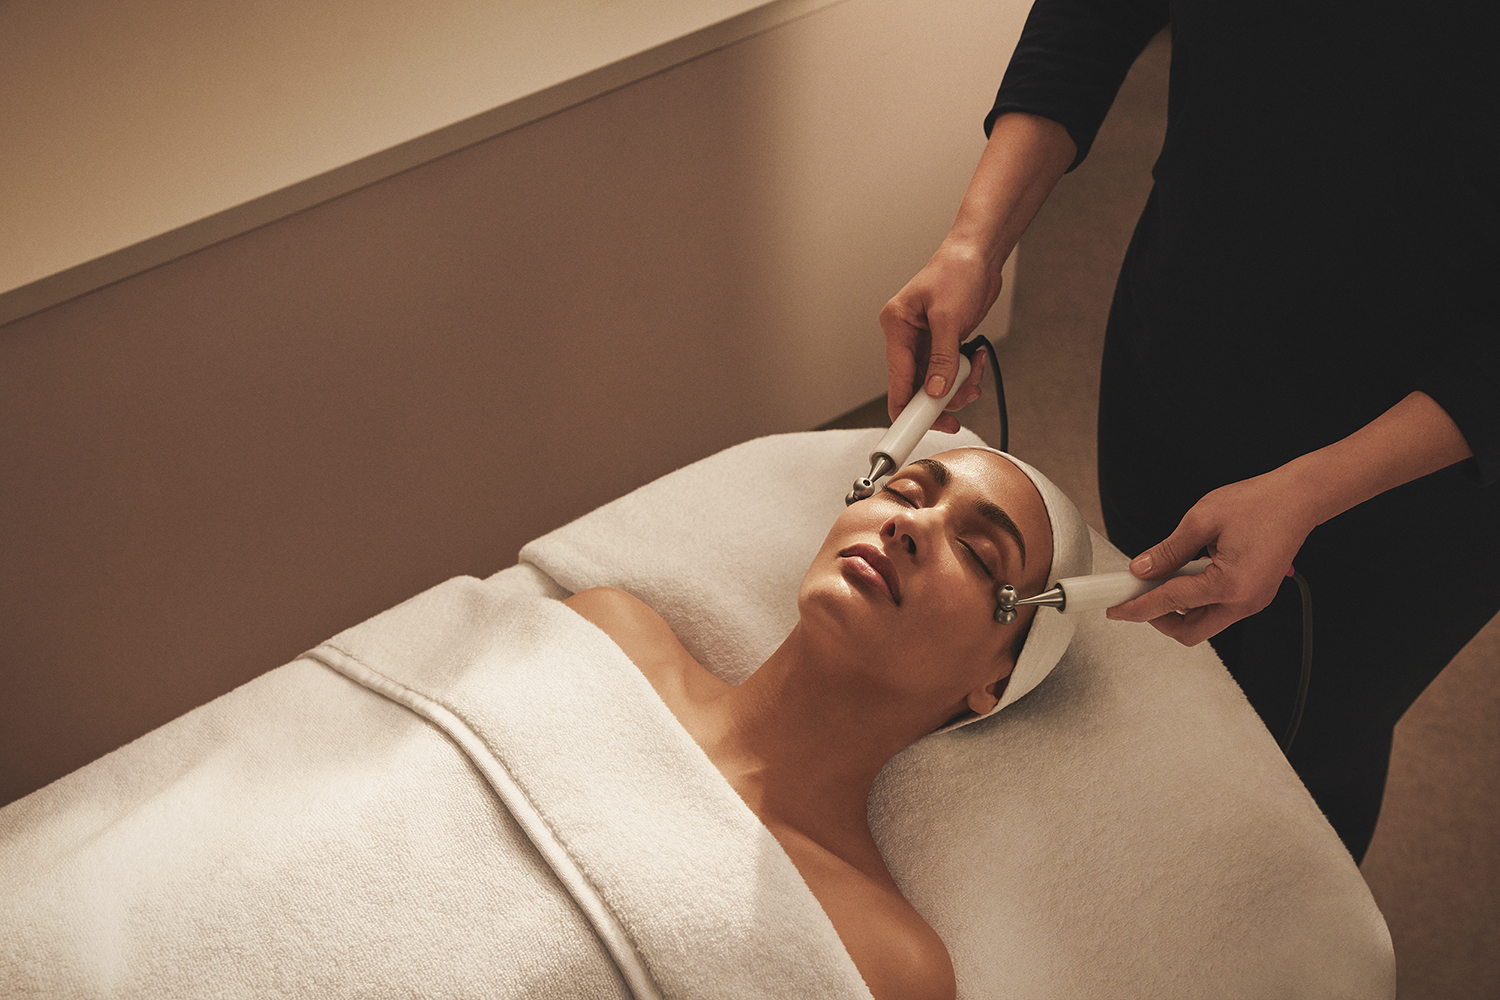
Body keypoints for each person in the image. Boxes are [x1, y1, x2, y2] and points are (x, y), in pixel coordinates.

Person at [880, 0, 1498, 862]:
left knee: (1294, 757)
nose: (898, 526)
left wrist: (1314, 490)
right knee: (1168, 681)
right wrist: (973, 245)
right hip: (1182, 342)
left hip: (1412, 478)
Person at [567, 447, 1086, 1000]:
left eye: (979, 554)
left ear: (996, 682)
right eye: (903, 493)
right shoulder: (609, 634)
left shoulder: (883, 959)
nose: (909, 522)